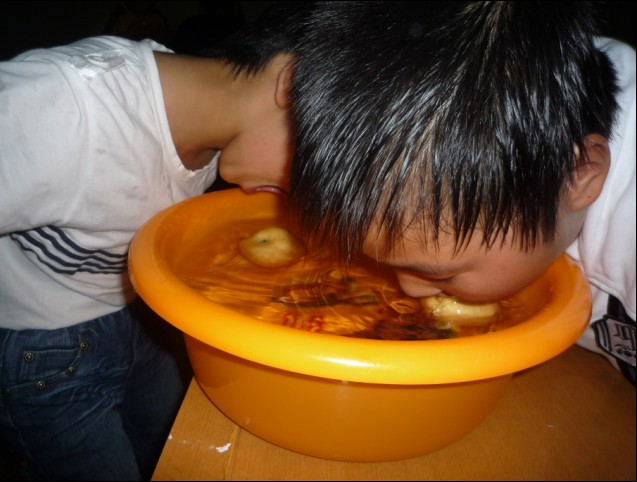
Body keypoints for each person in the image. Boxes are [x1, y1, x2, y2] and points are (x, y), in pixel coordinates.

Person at [0, 0, 634, 479]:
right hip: (44, 349)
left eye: (437, 270)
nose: (410, 290)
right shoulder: (67, 110)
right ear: (298, 90)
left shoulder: (509, 109)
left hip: (130, 321)